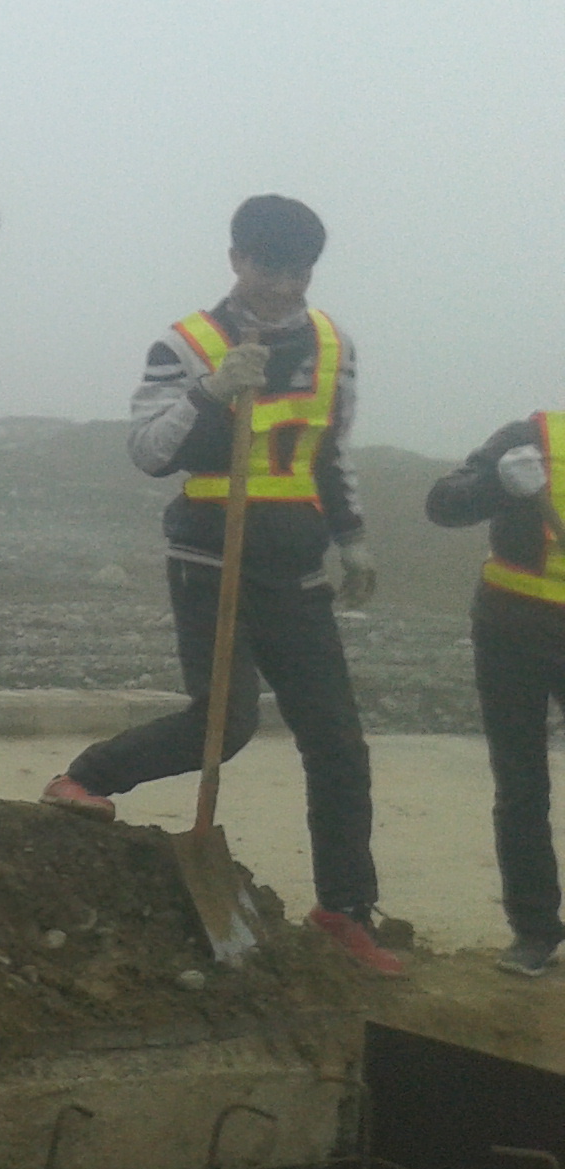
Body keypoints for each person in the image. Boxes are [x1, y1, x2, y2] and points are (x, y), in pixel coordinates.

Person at [40, 196, 398, 975]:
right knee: (224, 725)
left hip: (297, 566)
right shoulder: (186, 344)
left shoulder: (331, 345)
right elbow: (147, 451)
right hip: (212, 560)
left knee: (338, 743)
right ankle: (83, 779)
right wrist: (211, 392)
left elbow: (328, 451)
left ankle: (344, 910)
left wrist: (353, 538)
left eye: (300, 272)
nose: (285, 287)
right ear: (238, 260)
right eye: (271, 269)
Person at [426, 409, 565, 976]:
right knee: (521, 787)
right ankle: (535, 930)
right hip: (512, 632)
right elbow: (443, 504)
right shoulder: (530, 437)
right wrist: (497, 485)